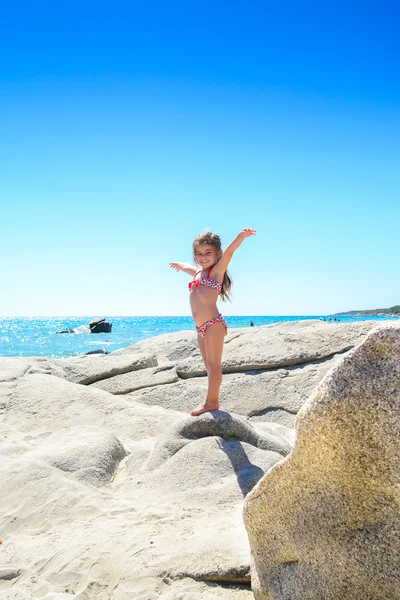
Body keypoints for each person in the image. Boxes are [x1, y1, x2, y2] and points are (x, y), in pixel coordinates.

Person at [170, 228, 256, 416]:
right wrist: (178, 264)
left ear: (217, 254)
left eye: (207, 253)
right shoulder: (197, 273)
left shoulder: (217, 271)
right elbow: (187, 266)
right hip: (200, 328)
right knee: (208, 365)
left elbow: (230, 251)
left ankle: (211, 402)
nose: (202, 257)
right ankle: (211, 400)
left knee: (214, 364)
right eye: (198, 254)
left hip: (213, 325)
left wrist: (240, 237)